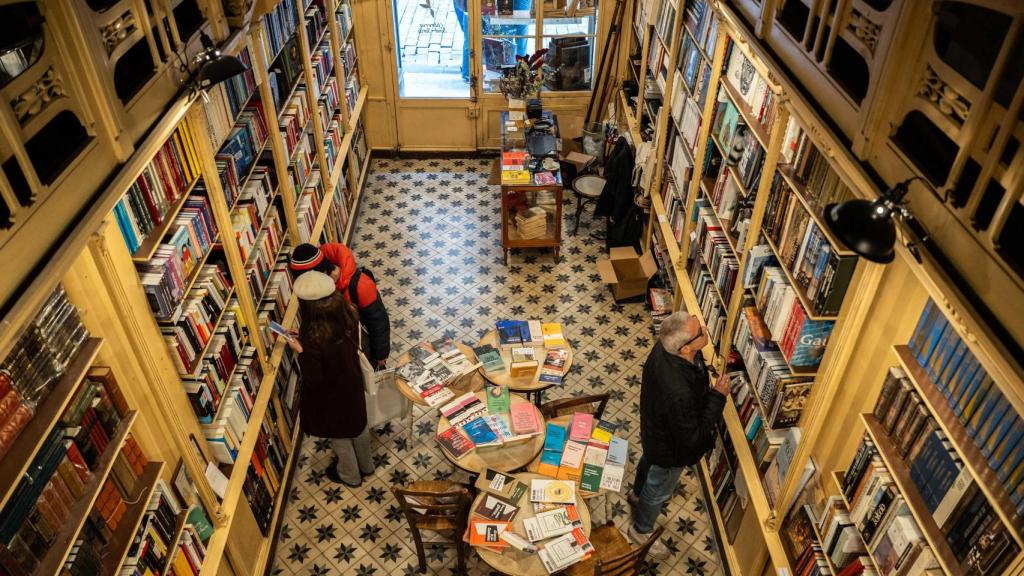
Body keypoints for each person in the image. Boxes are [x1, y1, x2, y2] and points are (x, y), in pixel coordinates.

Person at [628, 311, 730, 558]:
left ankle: (636, 493)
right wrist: (718, 397)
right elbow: (693, 437)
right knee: (659, 489)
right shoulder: (679, 393)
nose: (706, 330)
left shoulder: (664, 348)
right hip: (671, 450)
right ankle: (640, 529)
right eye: (700, 332)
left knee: (648, 461)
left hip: (654, 433)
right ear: (685, 349)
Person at [288, 271, 376, 487]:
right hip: (352, 384)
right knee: (358, 424)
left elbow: (314, 378)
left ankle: (350, 476)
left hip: (332, 395)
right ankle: (367, 465)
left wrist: (301, 352)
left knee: (340, 437)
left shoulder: (313, 335)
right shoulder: (348, 313)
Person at [289, 243, 391, 368]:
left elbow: (378, 322)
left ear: (322, 273)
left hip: (361, 350)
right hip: (340, 354)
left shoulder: (361, 286)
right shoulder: (314, 292)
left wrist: (380, 356)